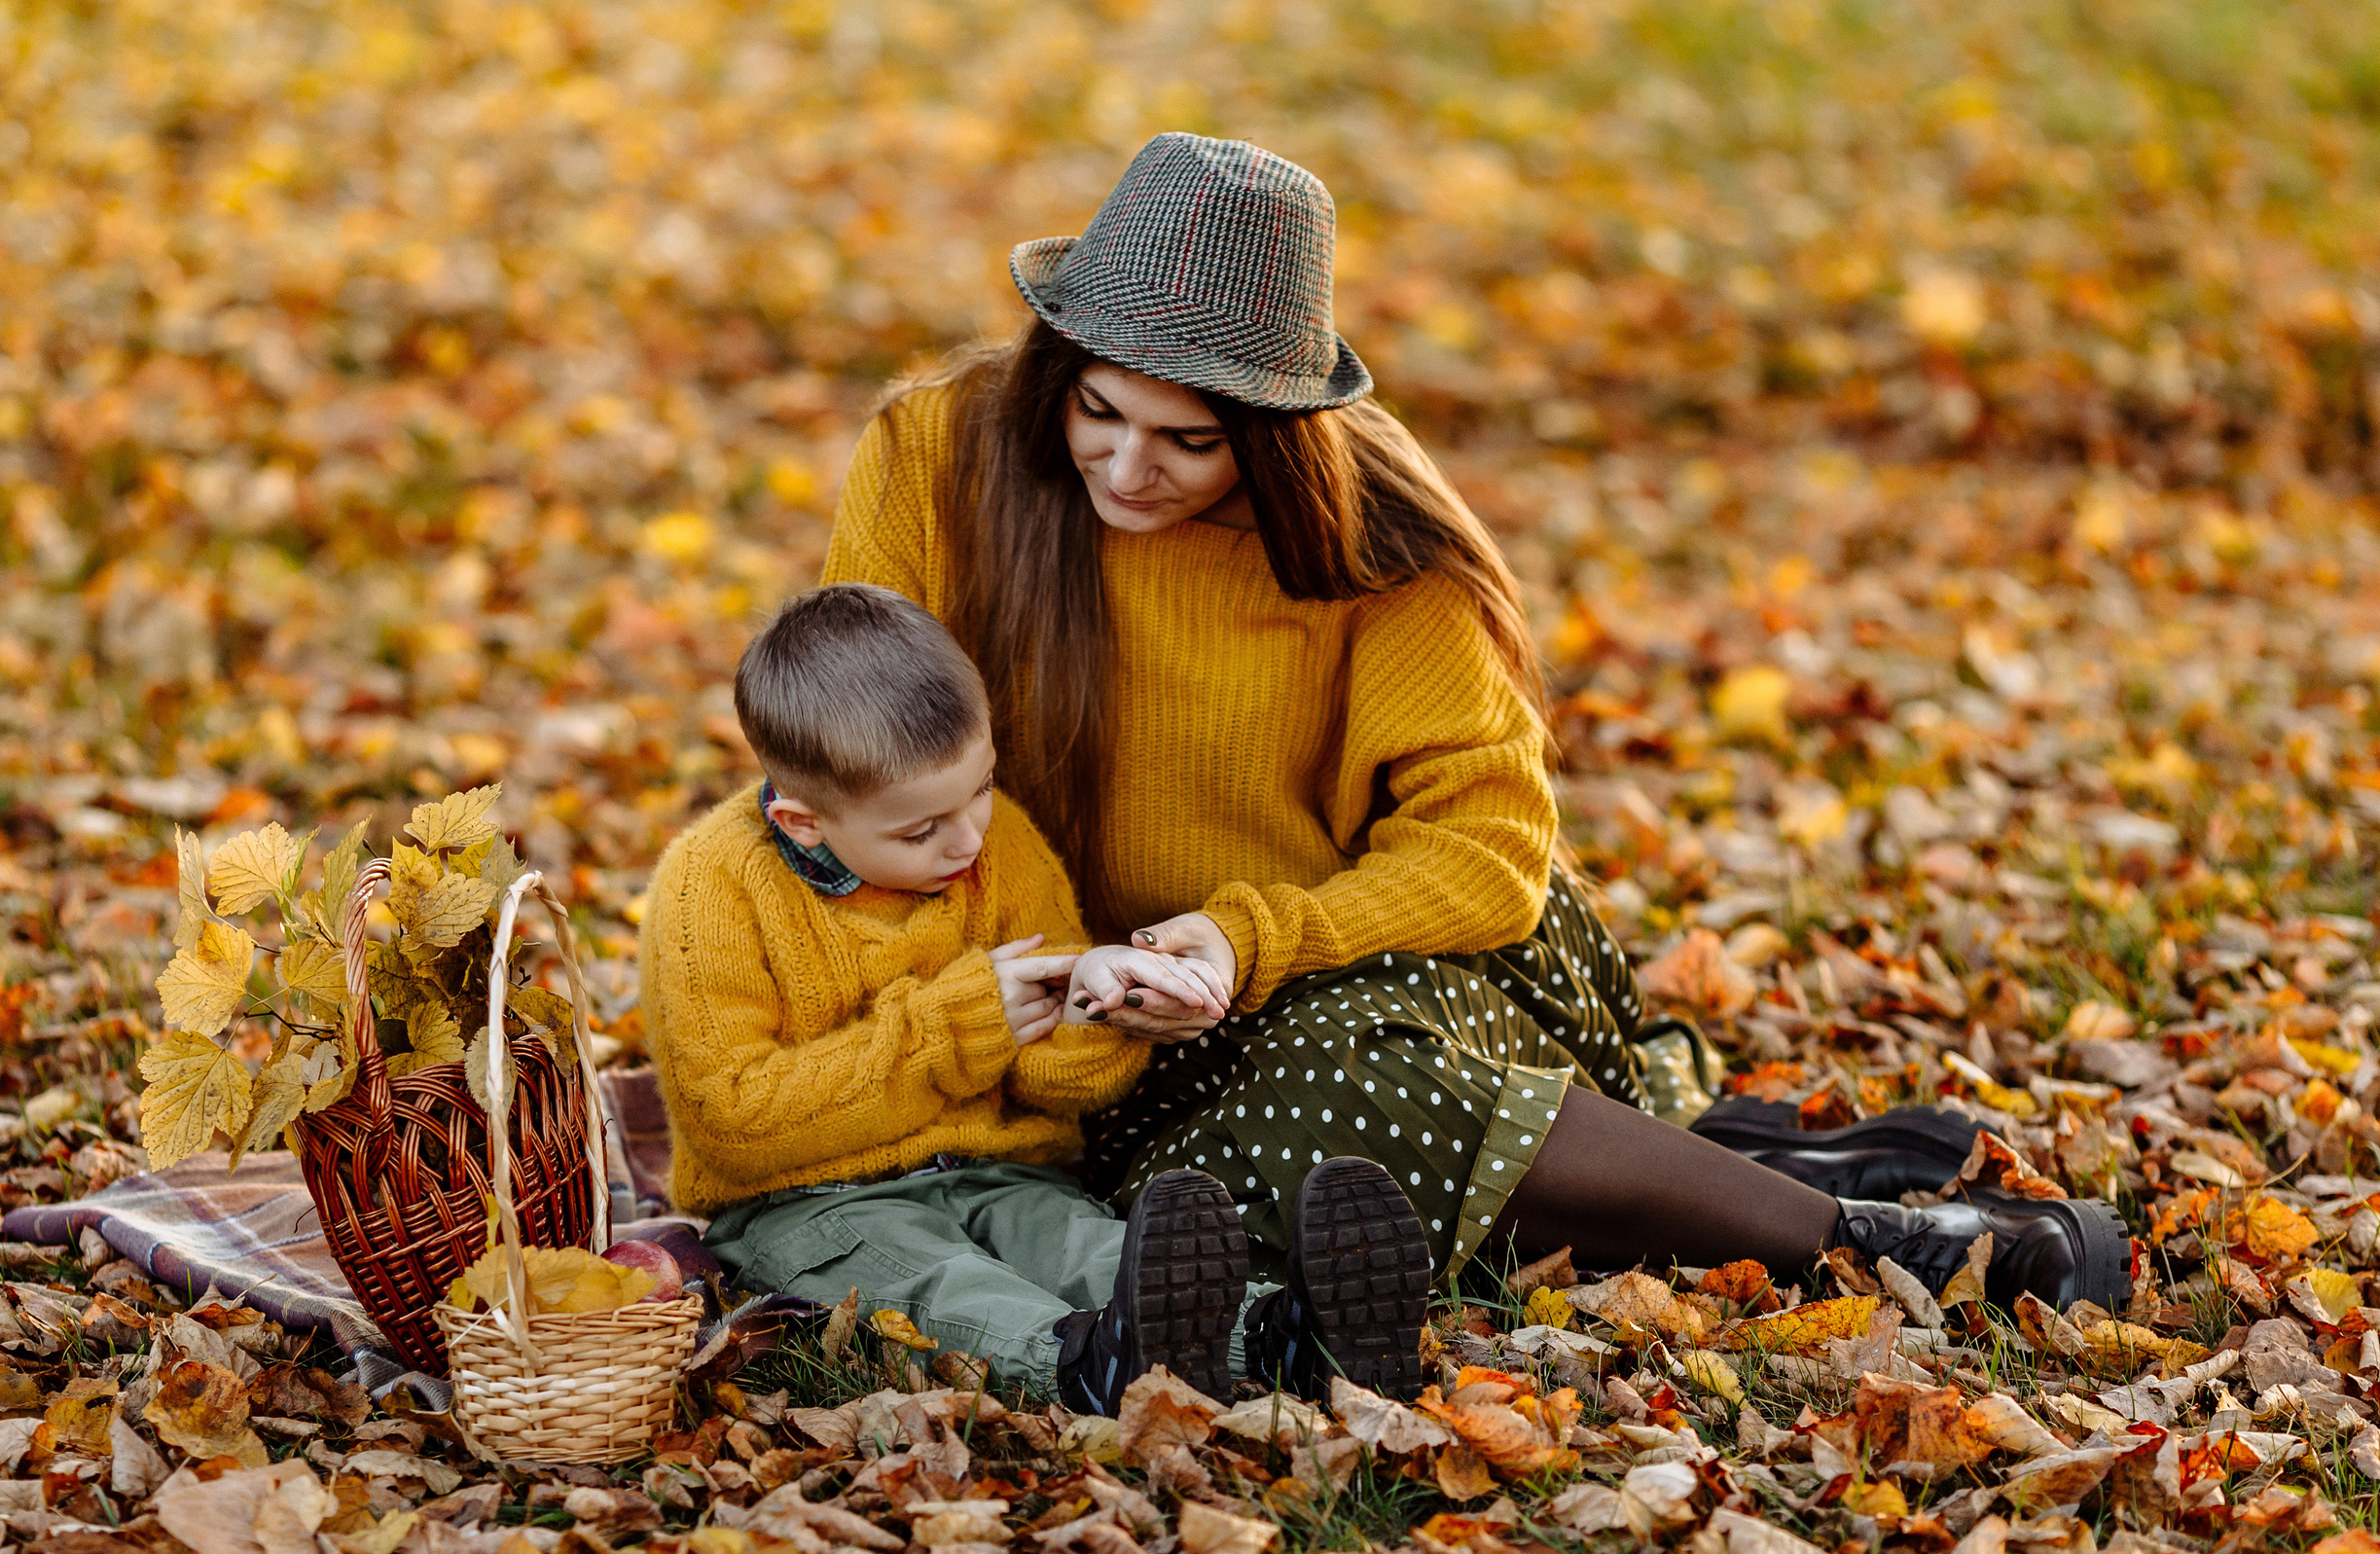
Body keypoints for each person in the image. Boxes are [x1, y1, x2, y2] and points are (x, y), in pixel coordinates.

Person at [820, 130, 2130, 1370]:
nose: (1127, 466)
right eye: (1098, 412)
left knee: (1333, 1094)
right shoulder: (938, 456)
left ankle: (1873, 1248)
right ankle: (1745, 1169)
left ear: (1272, 430)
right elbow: (851, 740)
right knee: (1191, 1200)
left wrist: (1244, 941)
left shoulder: (1370, 543)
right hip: (1103, 1008)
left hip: (1374, 958)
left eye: (1189, 441)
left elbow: (1490, 847)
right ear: (1060, 362)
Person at [637, 583, 1431, 1413]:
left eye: (981, 788)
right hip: (806, 1204)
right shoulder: (712, 888)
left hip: (999, 1170)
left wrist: (1098, 1008)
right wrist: (955, 1031)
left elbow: (1055, 1088)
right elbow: (730, 1119)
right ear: (806, 823)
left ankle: (1283, 1336)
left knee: (1084, 1245)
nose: (970, 837)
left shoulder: (998, 844)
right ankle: (1088, 1363)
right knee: (939, 1281)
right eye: (920, 831)